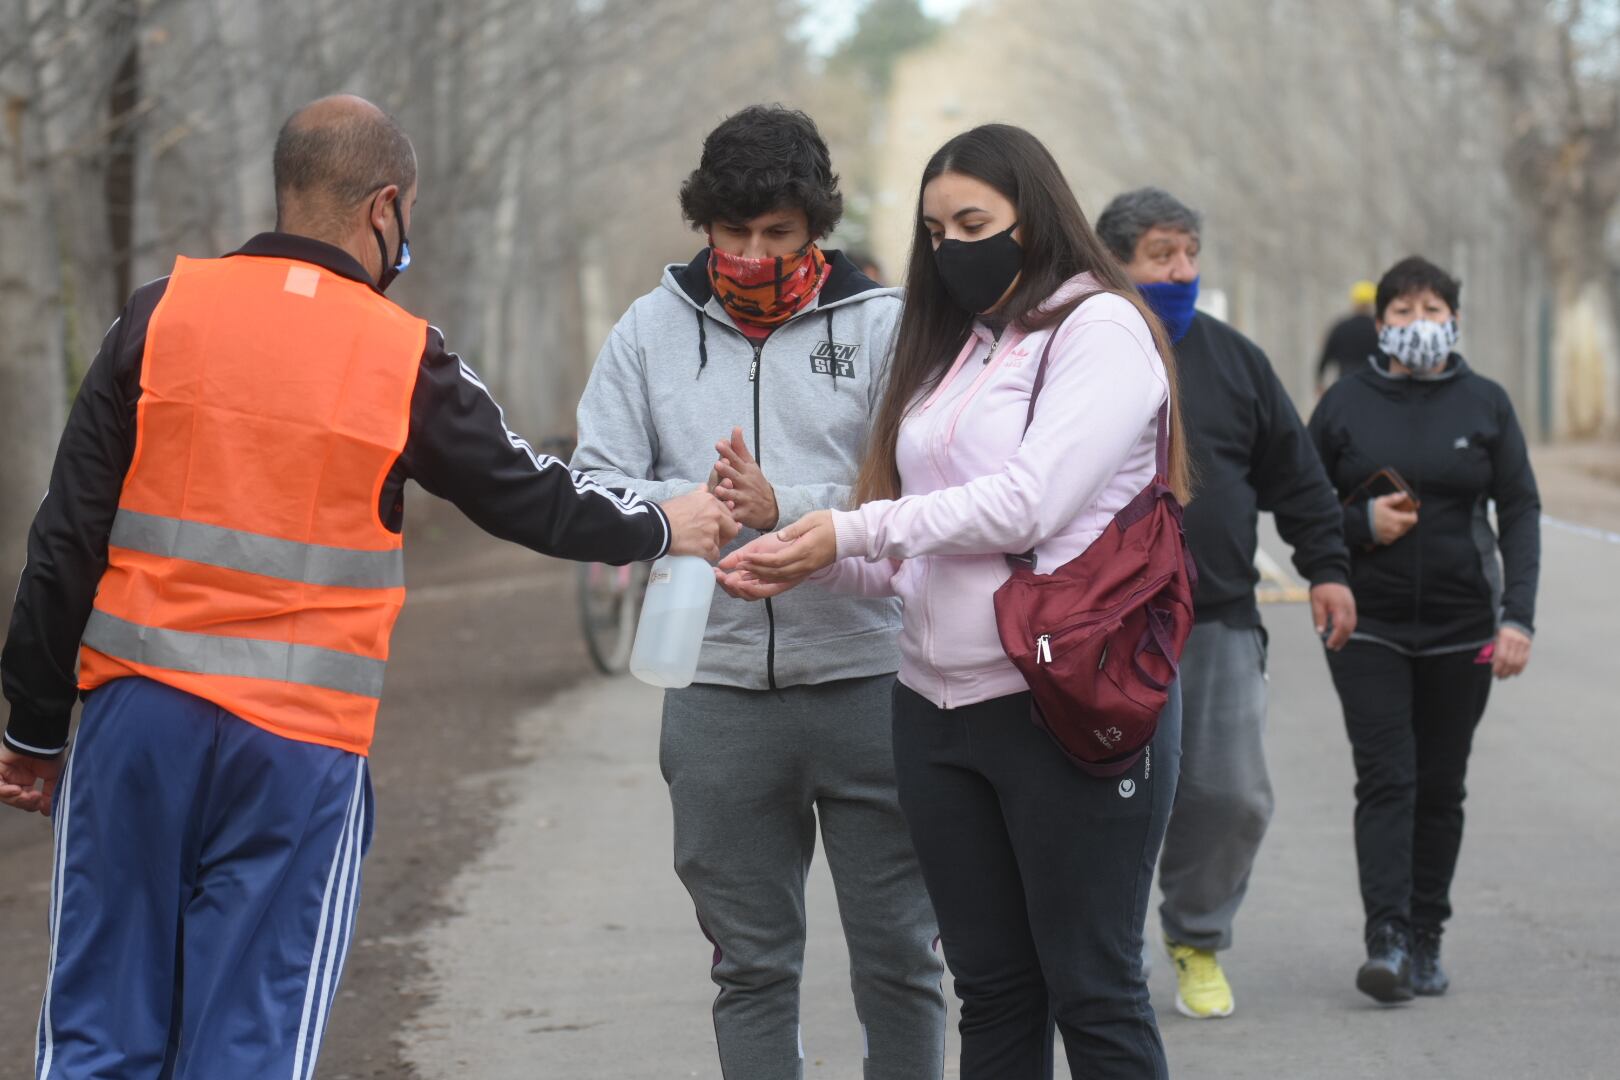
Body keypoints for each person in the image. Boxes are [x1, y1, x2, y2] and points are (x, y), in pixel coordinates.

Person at [0, 95, 734, 1077]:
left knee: (97, 1031)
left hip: (135, 724)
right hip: (296, 749)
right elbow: (527, 494)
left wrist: (34, 729)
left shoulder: (159, 314)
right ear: (385, 206)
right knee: (251, 1036)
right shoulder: (401, 355)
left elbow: (67, 535)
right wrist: (662, 524)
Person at [719, 123, 1189, 1079]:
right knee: (994, 992)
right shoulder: (970, 343)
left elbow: (1029, 502)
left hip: (1062, 702)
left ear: (1036, 214)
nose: (952, 248)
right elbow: (913, 552)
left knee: (1093, 989)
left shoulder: (1100, 328)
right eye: (935, 232)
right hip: (935, 713)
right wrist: (807, 558)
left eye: (973, 222)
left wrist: (852, 529)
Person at [570, 105, 946, 1080]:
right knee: (748, 966)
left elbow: (915, 491)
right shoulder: (648, 333)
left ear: (815, 225)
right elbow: (595, 480)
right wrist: (685, 508)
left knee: (903, 962)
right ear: (704, 225)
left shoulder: (885, 325)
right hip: (716, 692)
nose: (751, 253)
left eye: (776, 234)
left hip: (874, 682)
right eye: (732, 233)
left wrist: (789, 507)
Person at [1095, 187, 1355, 1019]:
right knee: (1096, 803)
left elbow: (1299, 477)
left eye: (1189, 254)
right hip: (1094, 628)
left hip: (1216, 622)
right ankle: (1094, 957)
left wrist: (1328, 568)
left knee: (1232, 795)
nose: (1182, 271)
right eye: (1162, 255)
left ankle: (1197, 938)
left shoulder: (1237, 361)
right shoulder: (1068, 356)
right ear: (1114, 263)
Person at [1308, 255, 1539, 1003]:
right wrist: (1356, 525)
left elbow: (1522, 511)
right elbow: (1302, 508)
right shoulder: (1345, 405)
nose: (1418, 324)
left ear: (1454, 319)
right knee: (1387, 779)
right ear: (1379, 326)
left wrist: (1518, 618)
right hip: (1364, 624)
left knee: (1439, 787)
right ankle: (1388, 940)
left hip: (1461, 625)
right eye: (1402, 313)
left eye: (1432, 309)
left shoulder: (1487, 404)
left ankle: (1428, 933)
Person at [1318, 280, 1381, 389]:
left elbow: (1325, 358)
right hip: (1373, 385)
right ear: (1372, 303)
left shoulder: (1341, 327)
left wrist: (1319, 382)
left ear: (1354, 302)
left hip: (1345, 384)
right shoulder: (1380, 329)